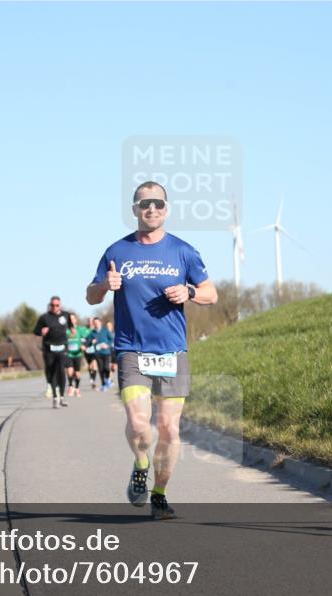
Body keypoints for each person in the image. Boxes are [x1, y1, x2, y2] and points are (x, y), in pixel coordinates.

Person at [87, 181, 217, 519]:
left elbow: (211, 293)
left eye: (158, 203)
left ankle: (159, 493)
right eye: (145, 204)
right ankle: (141, 463)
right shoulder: (117, 251)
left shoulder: (184, 251)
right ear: (134, 209)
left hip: (173, 351)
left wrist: (189, 292)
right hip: (131, 349)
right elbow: (90, 295)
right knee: (138, 422)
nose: (152, 209)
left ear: (167, 209)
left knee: (170, 429)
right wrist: (104, 286)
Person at [33, 296, 74, 409]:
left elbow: (71, 326)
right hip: (49, 349)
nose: (55, 307)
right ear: (50, 305)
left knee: (61, 370)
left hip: (62, 347)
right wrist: (41, 332)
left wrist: (72, 330)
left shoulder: (66, 315)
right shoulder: (44, 317)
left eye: (57, 305)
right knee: (52, 372)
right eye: (52, 305)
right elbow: (36, 331)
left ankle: (62, 397)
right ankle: (55, 398)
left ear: (60, 305)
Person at [88, 317, 114, 391]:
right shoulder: (92, 332)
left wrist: (107, 345)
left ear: (100, 323)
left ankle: (108, 379)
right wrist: (91, 342)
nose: (96, 324)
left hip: (106, 352)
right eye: (95, 323)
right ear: (93, 324)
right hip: (98, 353)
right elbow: (88, 341)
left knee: (106, 368)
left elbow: (111, 339)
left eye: (97, 322)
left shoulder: (105, 330)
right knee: (101, 369)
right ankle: (103, 384)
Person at [66, 313, 87, 397]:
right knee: (70, 371)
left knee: (77, 373)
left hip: (78, 354)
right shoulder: (66, 330)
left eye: (73, 319)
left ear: (76, 320)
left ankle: (77, 388)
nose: (71, 320)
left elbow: (86, 338)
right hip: (69, 354)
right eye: (70, 319)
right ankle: (71, 386)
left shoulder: (80, 329)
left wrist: (84, 345)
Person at [83, 317, 99, 390]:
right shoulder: (85, 330)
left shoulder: (96, 330)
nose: (90, 322)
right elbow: (83, 339)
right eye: (89, 321)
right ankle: (91, 378)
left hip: (94, 351)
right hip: (87, 351)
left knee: (94, 365)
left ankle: (93, 381)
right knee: (90, 366)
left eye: (91, 321)